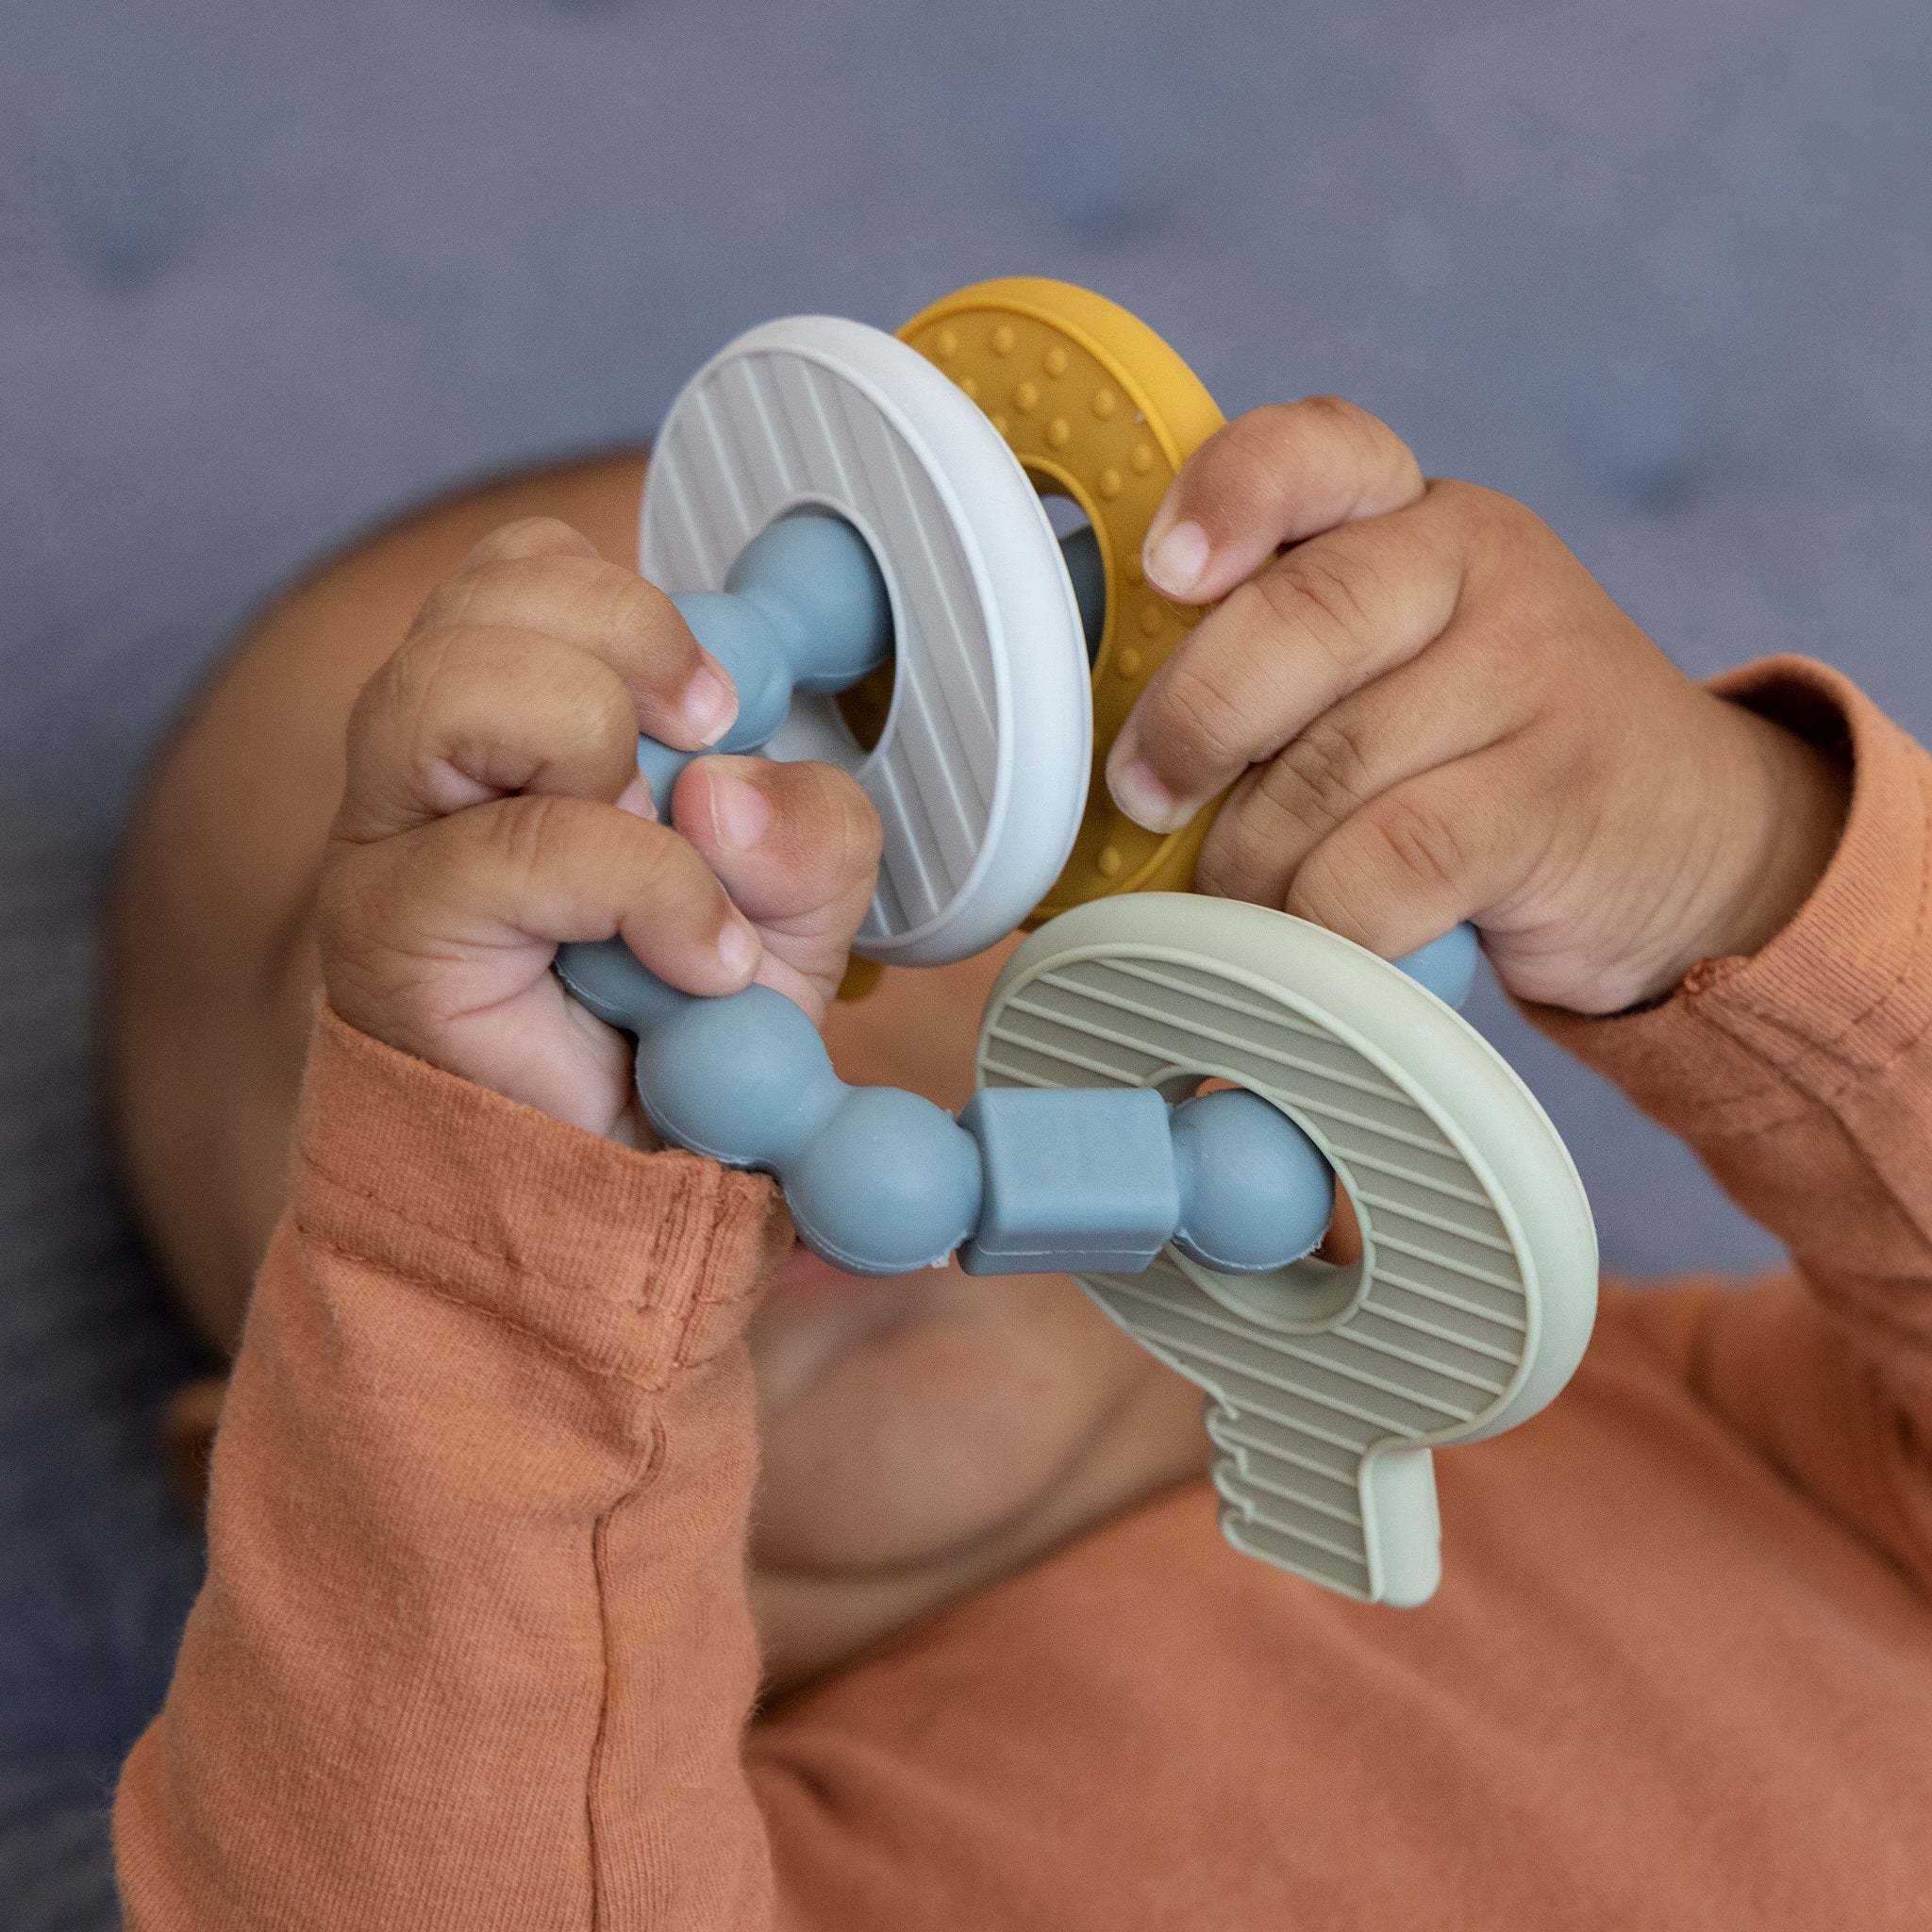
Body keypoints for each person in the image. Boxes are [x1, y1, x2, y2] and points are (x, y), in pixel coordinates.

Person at [106, 397, 1932, 1928]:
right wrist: (497, 1239)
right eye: (520, 927)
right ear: (266, 1487)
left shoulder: (1716, 1417)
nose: (726, 957)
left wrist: (1731, 854)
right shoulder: (671, 1864)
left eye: (898, 837)